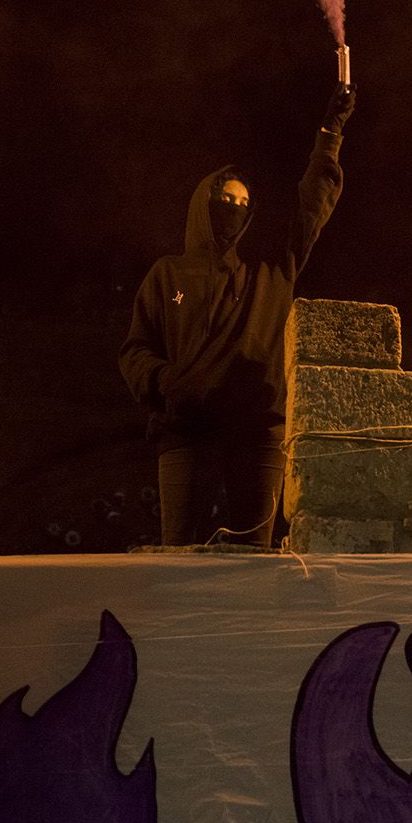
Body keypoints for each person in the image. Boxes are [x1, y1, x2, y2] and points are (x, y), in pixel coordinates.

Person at [119, 82, 355, 547]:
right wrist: (166, 382)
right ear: (205, 207)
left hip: (257, 433)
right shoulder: (168, 275)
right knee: (179, 550)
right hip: (186, 430)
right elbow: (135, 348)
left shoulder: (271, 269)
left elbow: (313, 202)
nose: (235, 209)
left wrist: (331, 132)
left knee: (253, 556)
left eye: (244, 205)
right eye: (226, 201)